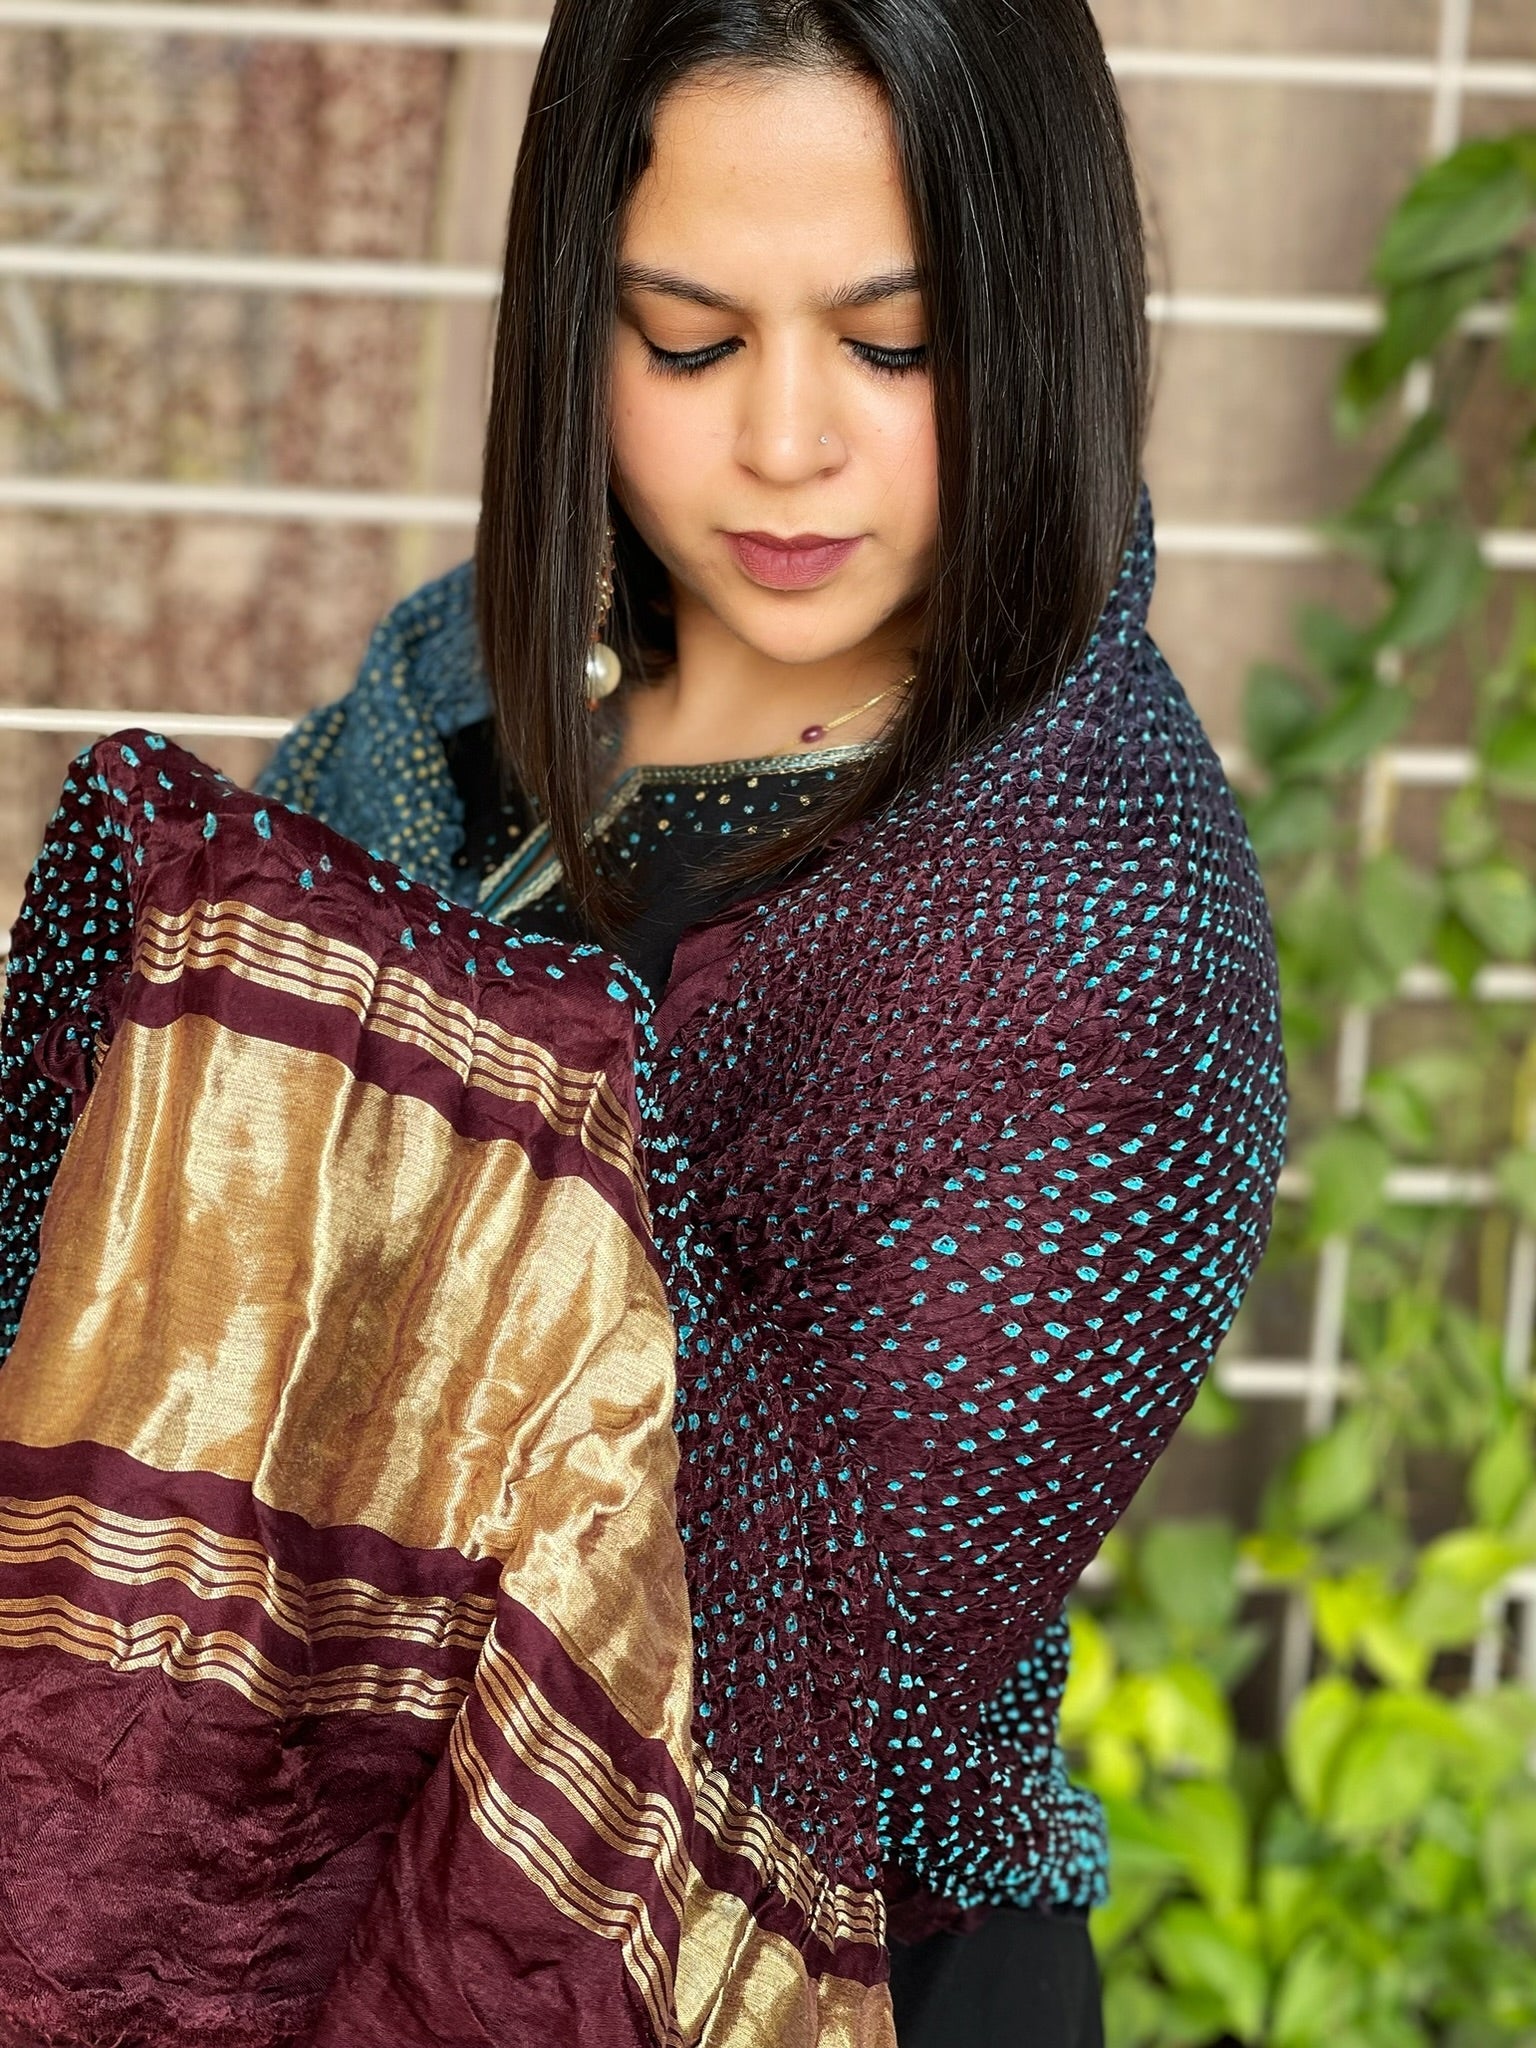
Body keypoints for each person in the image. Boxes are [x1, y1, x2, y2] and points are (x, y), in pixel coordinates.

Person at [254, 0, 1288, 2042]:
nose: (786, 441)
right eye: (690, 338)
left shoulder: (1096, 931)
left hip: (815, 1965)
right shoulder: (454, 700)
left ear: (1041, 311)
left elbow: (785, 1674)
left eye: (894, 345)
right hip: (294, 1885)